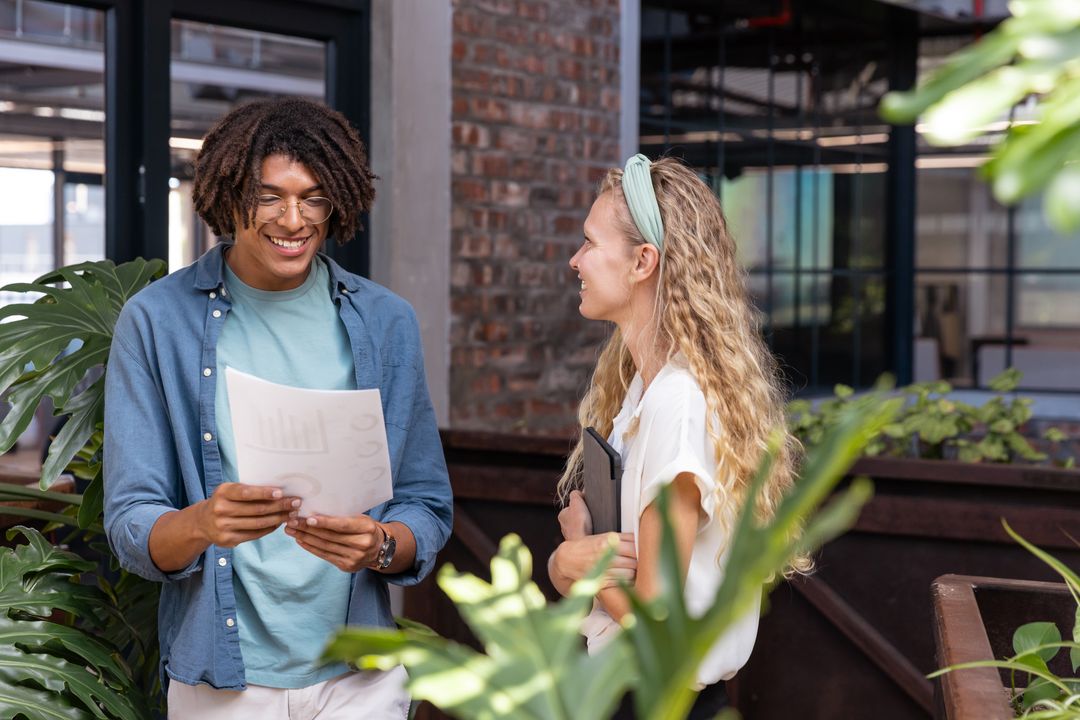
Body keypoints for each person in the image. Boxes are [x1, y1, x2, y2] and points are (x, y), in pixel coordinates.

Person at [103, 97, 453, 719]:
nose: (294, 219)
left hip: (359, 676)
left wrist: (377, 543)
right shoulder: (157, 322)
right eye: (269, 196)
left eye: (313, 197)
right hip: (223, 680)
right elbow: (132, 523)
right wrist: (204, 524)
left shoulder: (386, 322)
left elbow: (424, 506)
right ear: (228, 195)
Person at [547, 154, 808, 718]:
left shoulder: (677, 404)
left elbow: (658, 630)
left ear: (643, 261)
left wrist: (576, 565)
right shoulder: (645, 393)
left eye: (590, 243)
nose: (576, 260)